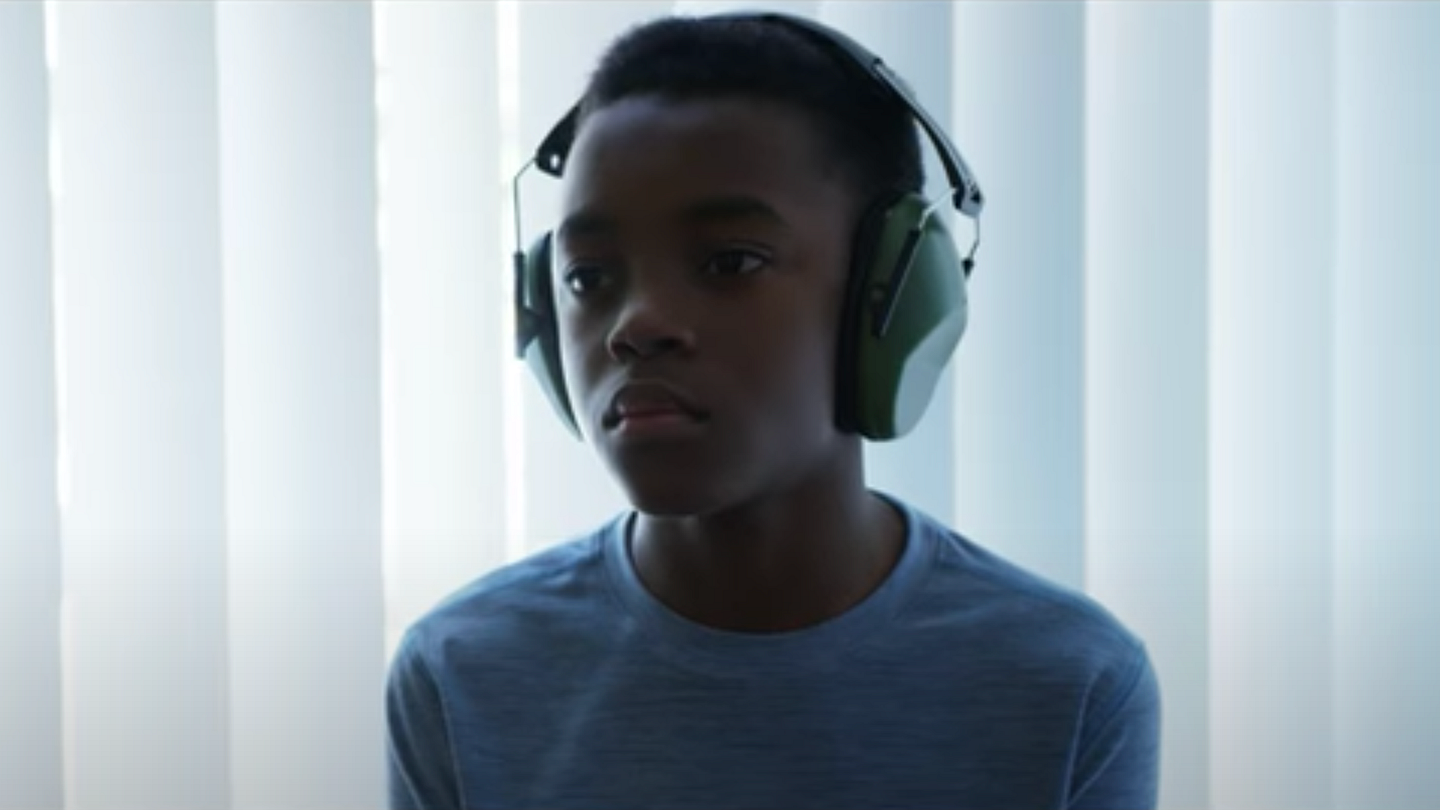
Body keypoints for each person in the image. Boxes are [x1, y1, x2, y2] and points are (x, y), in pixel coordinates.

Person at [385, 12, 1160, 810]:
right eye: (586, 278)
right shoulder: (459, 673)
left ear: (893, 302)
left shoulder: (1069, 685)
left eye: (730, 262)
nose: (636, 325)